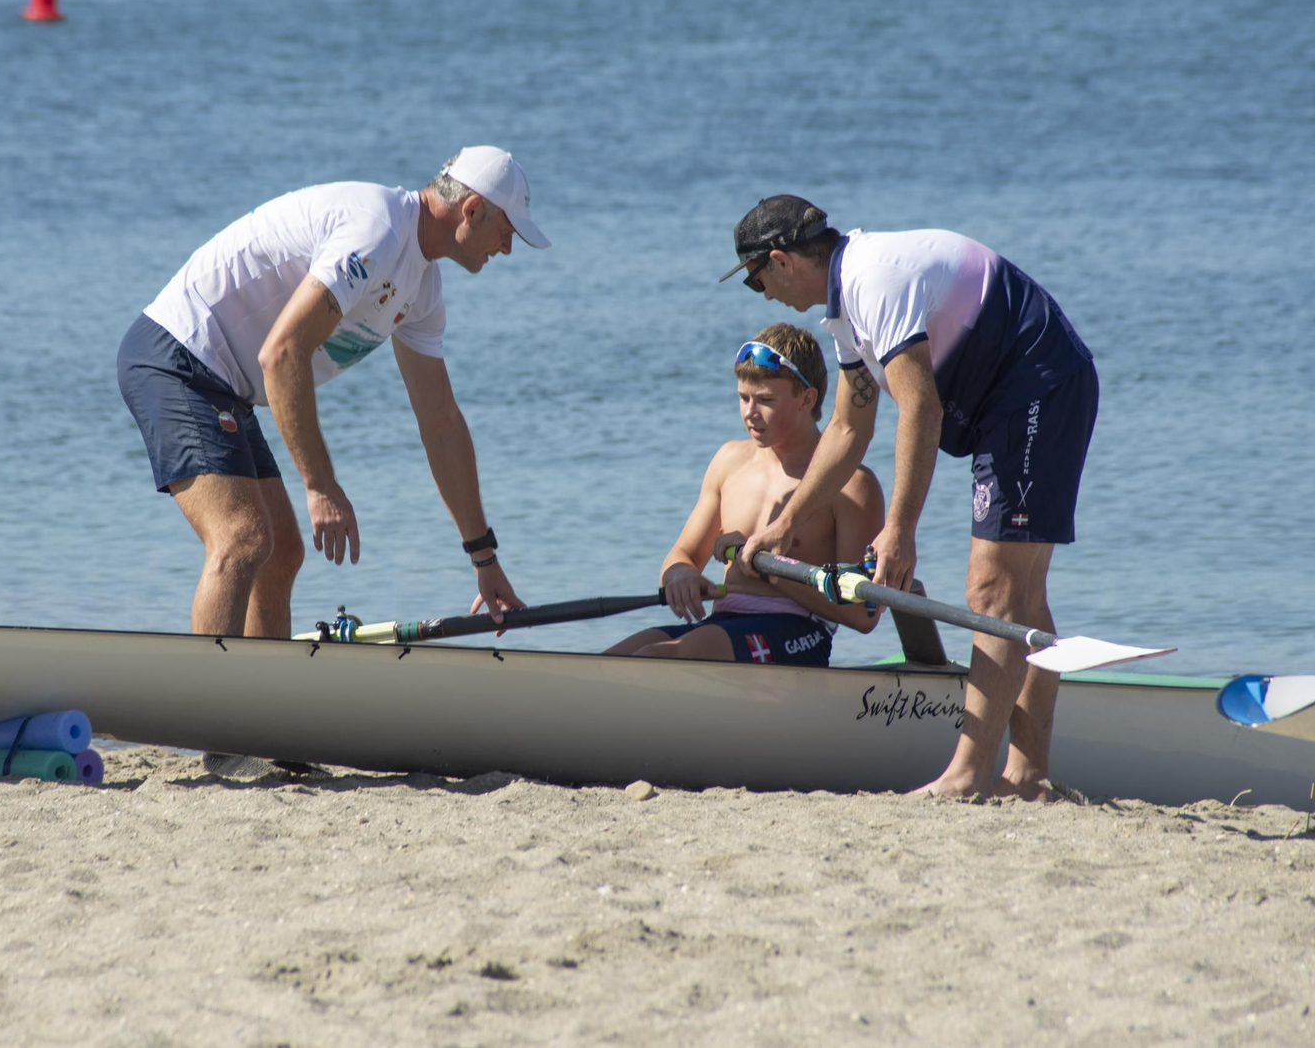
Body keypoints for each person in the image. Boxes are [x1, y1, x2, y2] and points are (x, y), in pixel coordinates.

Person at [720, 195, 1098, 800]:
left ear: (782, 259)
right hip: (1022, 392)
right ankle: (1028, 776)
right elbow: (849, 428)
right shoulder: (847, 309)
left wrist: (898, 529)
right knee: (1018, 593)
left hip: (1037, 386)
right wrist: (786, 523)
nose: (762, 295)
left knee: (993, 588)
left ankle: (969, 775)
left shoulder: (873, 280)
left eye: (757, 280)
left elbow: (920, 405)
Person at [117, 147, 547, 643]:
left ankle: (264, 706)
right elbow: (281, 354)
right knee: (241, 537)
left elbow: (441, 422)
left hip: (224, 381)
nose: (508, 248)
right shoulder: (377, 232)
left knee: (280, 556)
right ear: (471, 209)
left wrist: (484, 558)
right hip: (178, 355)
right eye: (507, 231)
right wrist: (319, 483)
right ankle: (206, 709)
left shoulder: (422, 291)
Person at [605, 323, 884, 665]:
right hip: (723, 623)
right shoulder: (729, 461)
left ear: (806, 398)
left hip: (799, 632)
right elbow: (683, 554)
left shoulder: (852, 485)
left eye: (765, 400)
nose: (750, 413)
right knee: (611, 661)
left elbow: (863, 615)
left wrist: (765, 567)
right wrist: (680, 575)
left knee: (655, 658)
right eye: (743, 397)